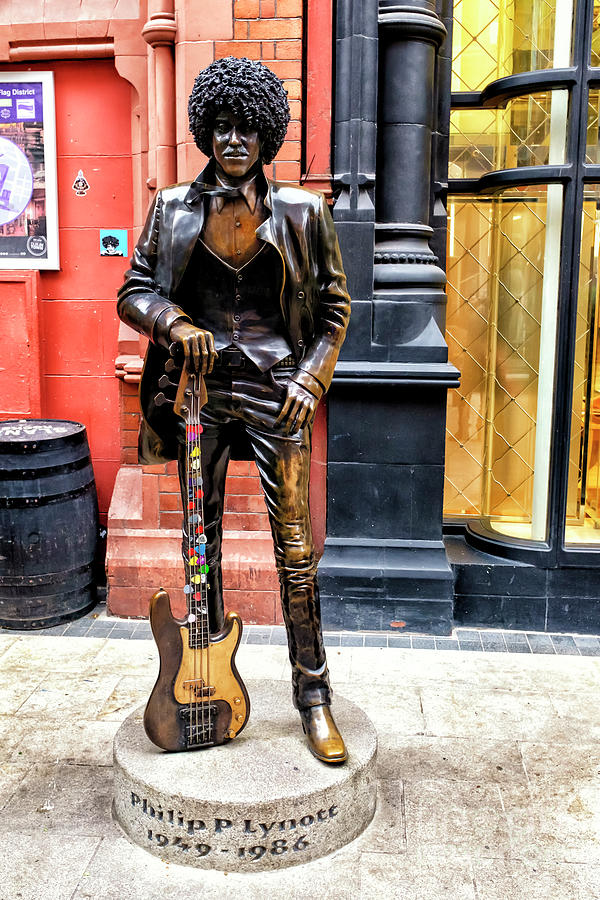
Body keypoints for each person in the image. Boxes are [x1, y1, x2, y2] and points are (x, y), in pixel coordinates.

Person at [117, 57, 351, 764]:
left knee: (295, 550)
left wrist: (310, 381)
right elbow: (132, 288)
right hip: (200, 391)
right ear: (206, 134)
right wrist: (170, 322)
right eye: (220, 127)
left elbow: (336, 310)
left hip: (279, 387)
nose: (233, 139)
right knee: (201, 543)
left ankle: (313, 699)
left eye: (246, 127)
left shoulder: (305, 214)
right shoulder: (173, 210)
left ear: (266, 133)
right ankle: (211, 685)